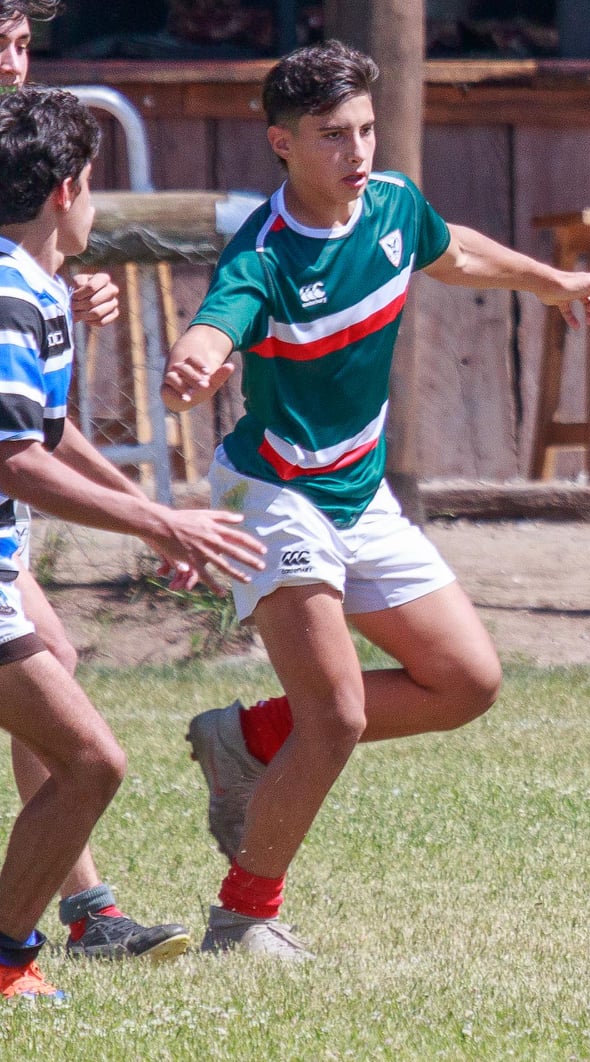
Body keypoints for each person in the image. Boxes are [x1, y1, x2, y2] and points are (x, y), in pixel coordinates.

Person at [160, 40, 590, 960]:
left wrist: (552, 282)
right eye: (334, 135)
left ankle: (246, 736)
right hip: (276, 492)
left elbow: (453, 254)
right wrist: (197, 359)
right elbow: (221, 319)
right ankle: (244, 916)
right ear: (282, 144)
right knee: (335, 717)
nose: (358, 151)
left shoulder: (396, 205)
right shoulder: (267, 250)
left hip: (357, 491)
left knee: (466, 682)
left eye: (366, 129)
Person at [0, 86, 265, 1000]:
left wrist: (148, 511)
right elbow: (14, 463)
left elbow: (49, 432)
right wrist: (163, 522)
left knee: (82, 755)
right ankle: (10, 960)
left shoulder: (32, 288)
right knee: (89, 761)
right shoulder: (8, 292)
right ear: (69, 189)